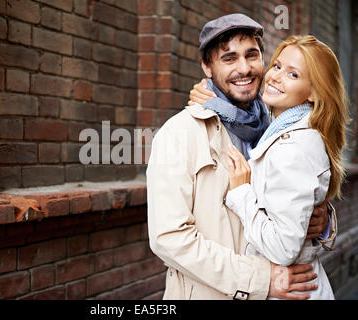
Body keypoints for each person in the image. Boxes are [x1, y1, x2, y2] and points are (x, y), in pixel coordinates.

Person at [147, 13, 336, 300]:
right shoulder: (179, 134)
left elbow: (291, 204)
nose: (244, 68)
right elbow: (170, 239)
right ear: (207, 68)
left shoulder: (276, 127)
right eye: (229, 59)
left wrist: (323, 223)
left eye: (252, 55)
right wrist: (260, 279)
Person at [223, 35, 348, 299]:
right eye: (277, 66)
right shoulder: (281, 127)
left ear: (313, 92)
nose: (275, 76)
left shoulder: (293, 147)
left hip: (291, 288)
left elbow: (282, 249)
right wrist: (208, 92)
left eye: (293, 74)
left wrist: (241, 193)